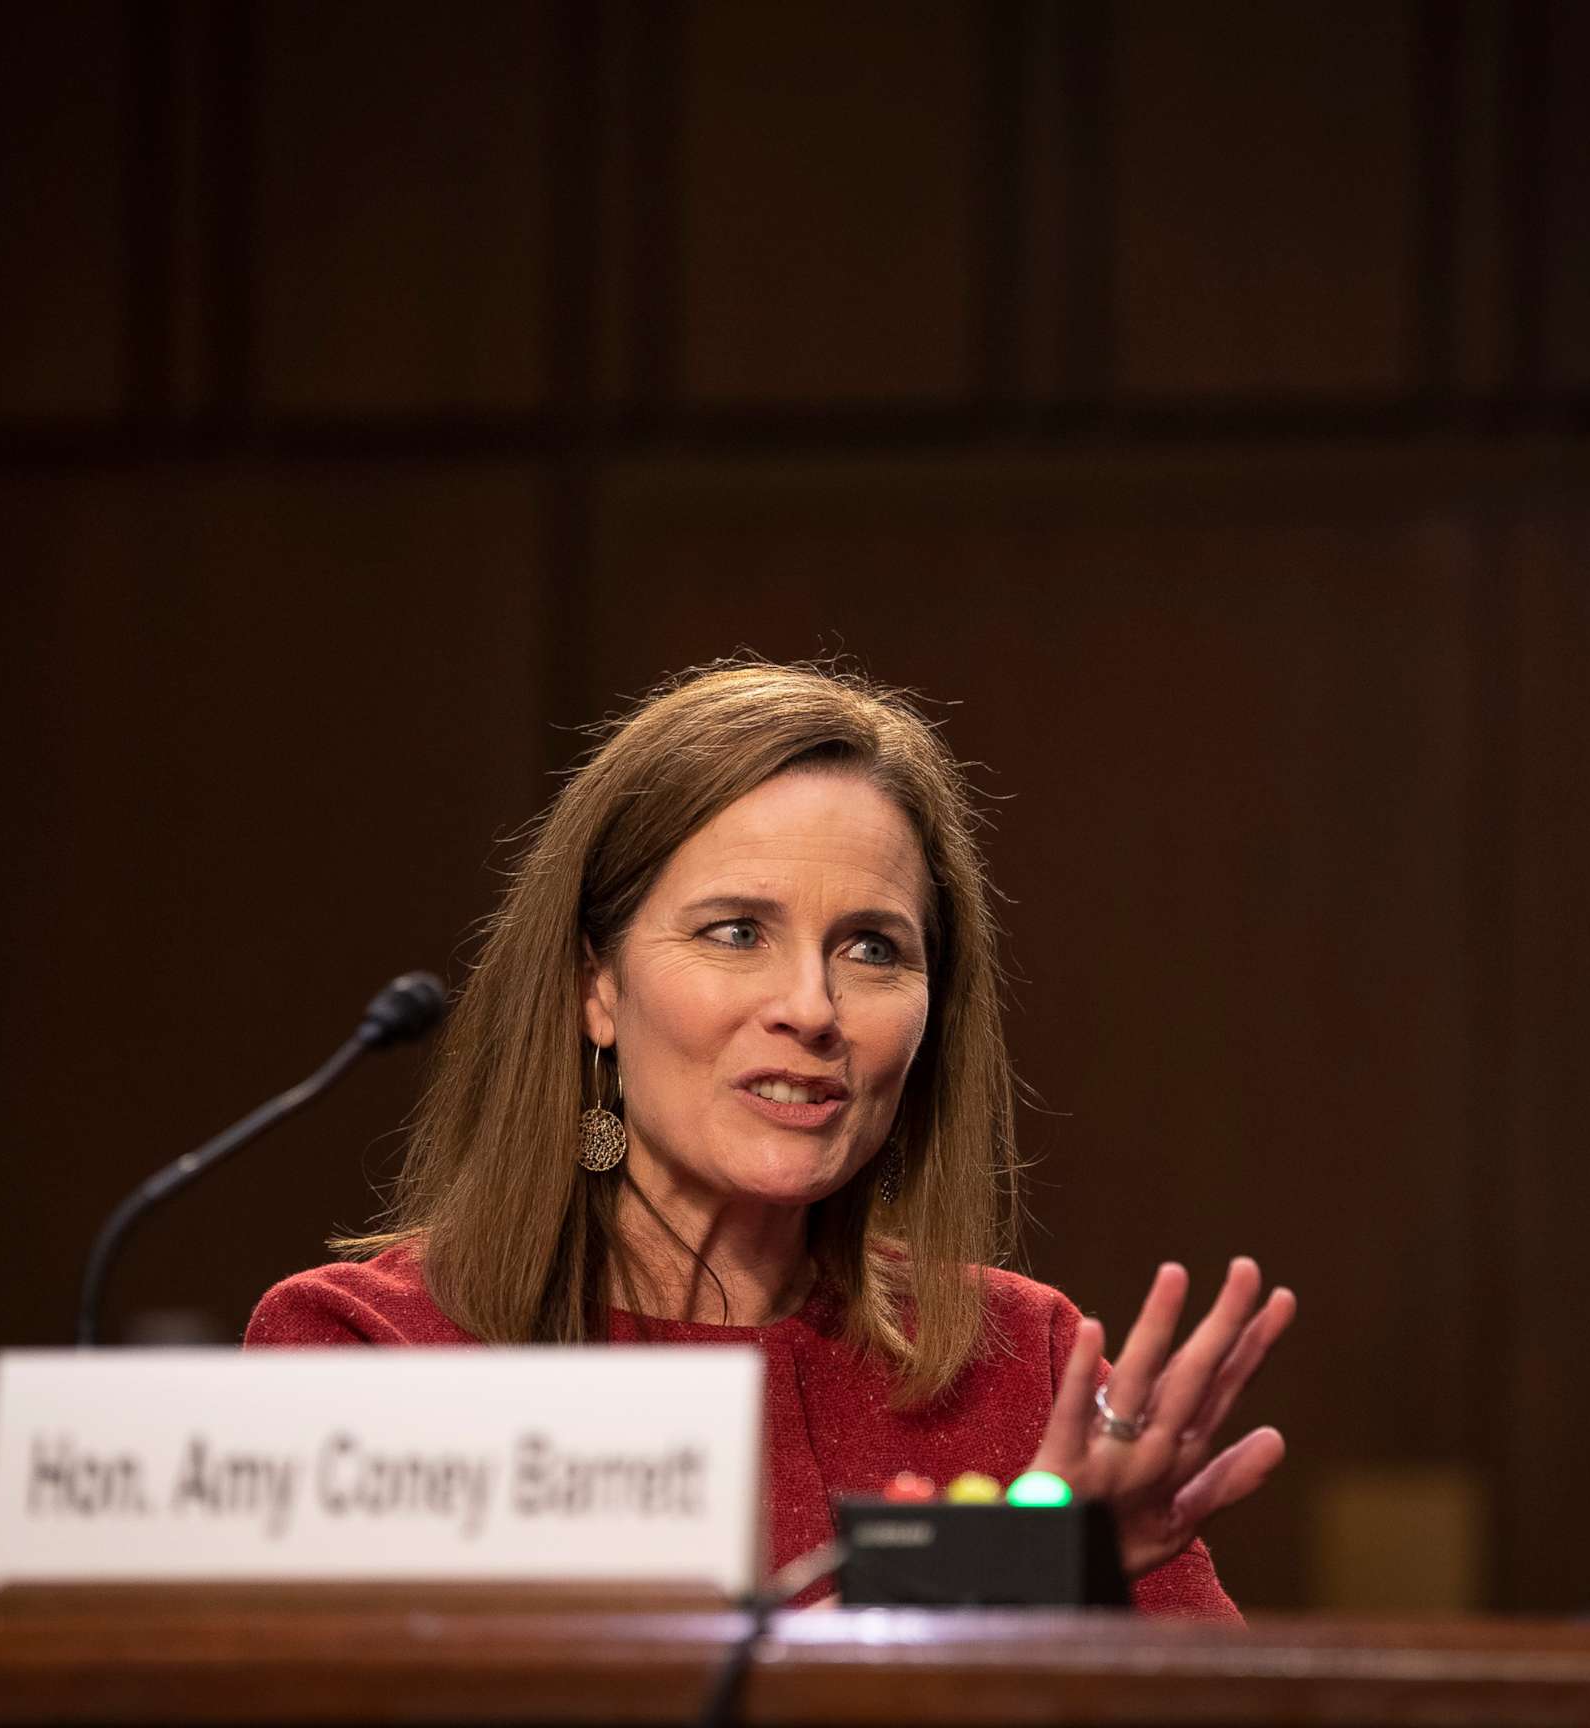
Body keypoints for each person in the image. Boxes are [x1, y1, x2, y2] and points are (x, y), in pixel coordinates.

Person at [247, 661, 1296, 1613]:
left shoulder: (1026, 1369)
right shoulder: (370, 1356)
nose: (813, 1007)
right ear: (594, 988)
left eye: (873, 948)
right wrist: (981, 1587)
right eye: (737, 932)